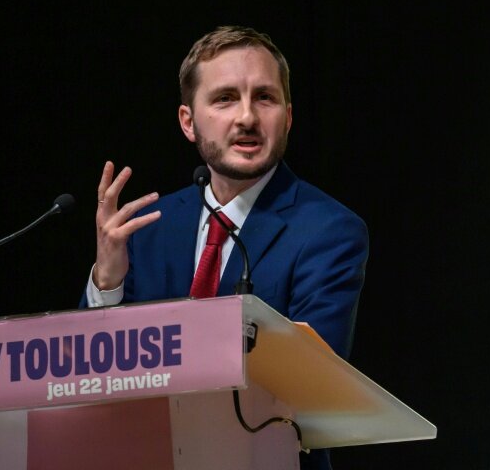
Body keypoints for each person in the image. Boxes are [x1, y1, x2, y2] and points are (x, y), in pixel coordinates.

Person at [80, 25, 369, 470]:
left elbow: (307, 385)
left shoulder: (329, 231)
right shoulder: (147, 227)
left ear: (288, 118)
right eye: (225, 98)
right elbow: (86, 377)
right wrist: (107, 282)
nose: (247, 117)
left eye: (265, 98)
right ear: (188, 122)